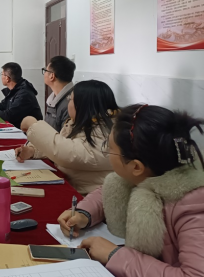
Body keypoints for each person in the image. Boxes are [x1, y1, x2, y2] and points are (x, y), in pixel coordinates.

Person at [57, 105, 204, 276]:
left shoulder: (193, 206)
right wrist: (83, 214)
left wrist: (114, 255)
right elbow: (106, 194)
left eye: (109, 148)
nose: (107, 153)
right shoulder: (147, 174)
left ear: (136, 167)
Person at [16, 80, 118, 194]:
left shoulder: (106, 133)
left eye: (71, 99)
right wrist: (33, 151)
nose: (68, 103)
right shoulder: (79, 123)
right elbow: (63, 143)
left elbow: (66, 152)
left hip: (89, 197)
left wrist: (33, 125)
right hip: (73, 187)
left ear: (84, 105)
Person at [0, 62, 43, 129]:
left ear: (7, 78)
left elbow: (10, 115)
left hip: (29, 133)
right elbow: (3, 105)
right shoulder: (16, 89)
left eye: (2, 74)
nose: (1, 77)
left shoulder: (24, 94)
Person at [43, 56, 76, 132]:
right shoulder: (54, 97)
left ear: (52, 76)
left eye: (45, 70)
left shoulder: (70, 103)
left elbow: (65, 137)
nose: (44, 74)